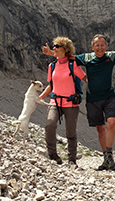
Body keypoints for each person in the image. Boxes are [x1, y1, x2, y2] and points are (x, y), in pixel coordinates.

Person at [43, 34, 115, 171]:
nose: (99, 47)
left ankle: (83, 159)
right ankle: (54, 156)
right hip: (76, 100)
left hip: (95, 99)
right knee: (52, 125)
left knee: (105, 124)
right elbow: (64, 63)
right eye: (97, 45)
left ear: (106, 46)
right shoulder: (76, 60)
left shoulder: (109, 56)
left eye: (102, 44)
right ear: (92, 47)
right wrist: (52, 53)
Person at [39, 37, 87, 167]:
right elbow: (51, 85)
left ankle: (72, 159)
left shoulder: (73, 65)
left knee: (70, 132)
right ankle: (53, 156)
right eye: (54, 46)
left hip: (71, 103)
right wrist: (41, 98)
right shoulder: (52, 66)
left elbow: (85, 78)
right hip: (55, 101)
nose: (54, 48)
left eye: (57, 46)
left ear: (65, 49)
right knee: (50, 125)